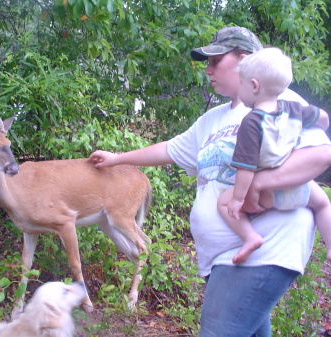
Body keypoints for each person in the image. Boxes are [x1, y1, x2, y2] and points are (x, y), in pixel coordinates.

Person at [88, 26, 331, 336]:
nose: (208, 69)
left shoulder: (278, 101)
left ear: (245, 61)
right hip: (222, 259)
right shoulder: (212, 119)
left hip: (264, 249)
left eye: (216, 61)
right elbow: (169, 149)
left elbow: (320, 155)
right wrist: (118, 158)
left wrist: (258, 185)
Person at [216, 47, 331, 264]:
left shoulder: (251, 122)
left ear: (254, 85)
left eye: (241, 83)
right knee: (324, 203)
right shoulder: (294, 109)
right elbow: (323, 117)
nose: (240, 88)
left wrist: (238, 199)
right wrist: (323, 123)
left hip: (268, 195)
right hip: (300, 186)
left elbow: (246, 167)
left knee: (222, 203)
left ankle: (250, 237)